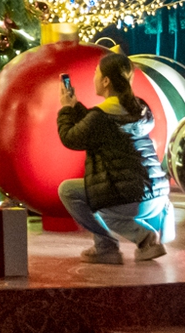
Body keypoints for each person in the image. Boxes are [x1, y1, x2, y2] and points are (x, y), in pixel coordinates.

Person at [56, 52, 168, 265]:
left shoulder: (101, 117)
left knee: (72, 192)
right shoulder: (139, 107)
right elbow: (97, 126)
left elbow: (70, 138)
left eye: (96, 73)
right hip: (157, 195)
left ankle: (141, 239)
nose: (94, 77)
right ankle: (108, 247)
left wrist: (65, 109)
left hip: (131, 198)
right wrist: (75, 107)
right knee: (90, 189)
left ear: (106, 80)